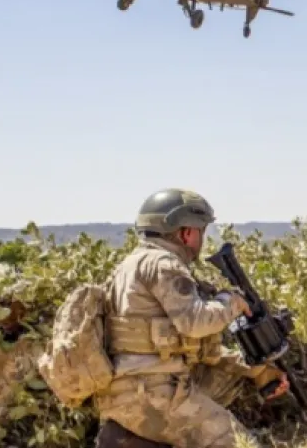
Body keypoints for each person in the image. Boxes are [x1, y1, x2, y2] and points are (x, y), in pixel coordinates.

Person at [93, 189, 289, 448]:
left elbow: (195, 349)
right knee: (242, 444)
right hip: (156, 395)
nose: (201, 240)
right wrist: (231, 302)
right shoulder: (164, 264)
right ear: (186, 232)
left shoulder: (125, 267)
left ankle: (130, 438)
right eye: (201, 231)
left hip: (118, 396)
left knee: (225, 380)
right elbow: (195, 323)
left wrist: (257, 370)